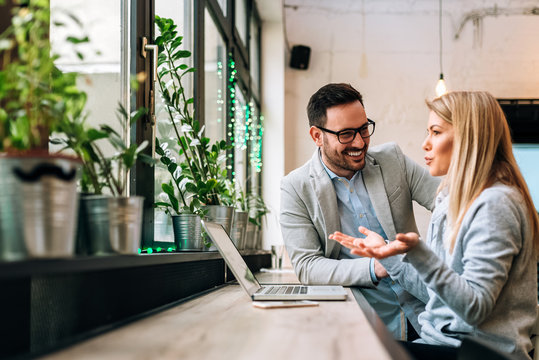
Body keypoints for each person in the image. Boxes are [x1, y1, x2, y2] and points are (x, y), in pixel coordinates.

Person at [331, 91, 539, 359]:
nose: (425, 144)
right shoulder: (450, 198)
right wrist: (388, 253)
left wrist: (420, 253)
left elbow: (474, 307)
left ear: (468, 138)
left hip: (480, 353)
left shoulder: (495, 204)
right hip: (443, 344)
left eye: (436, 132)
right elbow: (437, 294)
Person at [279, 83, 440, 340]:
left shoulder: (392, 160)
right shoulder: (295, 187)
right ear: (317, 136)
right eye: (345, 134)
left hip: (422, 313)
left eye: (364, 129)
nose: (359, 142)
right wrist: (376, 266)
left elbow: (449, 202)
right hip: (359, 320)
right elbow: (308, 266)